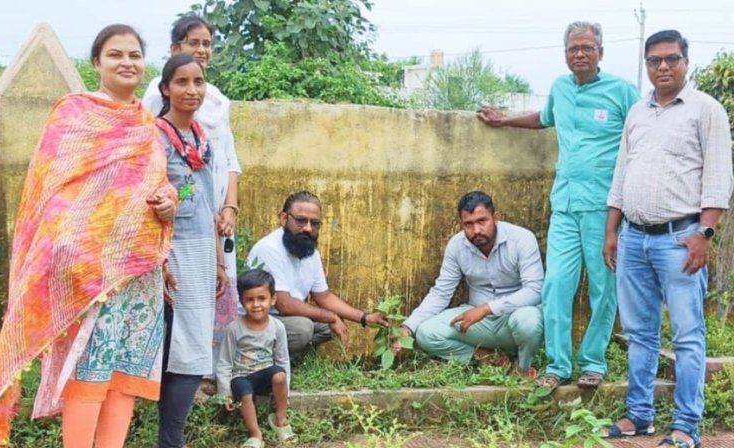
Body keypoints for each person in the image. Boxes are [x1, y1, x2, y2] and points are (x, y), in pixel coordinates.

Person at [0, 24, 176, 447]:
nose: (127, 62)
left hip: (138, 274)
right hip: (89, 276)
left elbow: (155, 186)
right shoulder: (74, 114)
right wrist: (74, 247)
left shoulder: (147, 127)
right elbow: (51, 192)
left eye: (134, 54)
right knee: (90, 368)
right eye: (116, 54)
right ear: (97, 62)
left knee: (126, 371)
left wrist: (168, 204)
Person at [477, 21, 640, 390]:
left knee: (603, 287)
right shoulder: (560, 88)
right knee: (556, 285)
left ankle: (594, 362)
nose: (579, 54)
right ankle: (558, 364)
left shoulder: (622, 91)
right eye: (572, 49)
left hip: (605, 208)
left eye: (587, 48)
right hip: (564, 205)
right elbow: (543, 118)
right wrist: (504, 120)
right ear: (565, 53)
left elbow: (644, 131)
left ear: (601, 51)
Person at [603, 30, 734, 448]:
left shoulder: (705, 110)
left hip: (680, 240)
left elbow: (718, 178)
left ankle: (685, 428)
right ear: (646, 65)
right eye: (654, 60)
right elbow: (622, 175)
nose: (662, 66)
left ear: (686, 61)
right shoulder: (637, 113)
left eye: (671, 59)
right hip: (634, 239)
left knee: (687, 336)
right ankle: (638, 416)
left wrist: (704, 234)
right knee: (639, 334)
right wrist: (612, 232)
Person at [143, 14, 242, 374]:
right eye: (192, 42)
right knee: (176, 309)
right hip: (175, 229)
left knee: (210, 299)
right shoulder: (158, 112)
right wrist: (179, 196)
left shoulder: (214, 107)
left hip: (209, 222)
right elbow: (160, 175)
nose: (200, 50)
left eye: (206, 44)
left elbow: (227, 159)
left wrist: (227, 206)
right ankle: (166, 378)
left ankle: (209, 372)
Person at [154, 53, 228, 448]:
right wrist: (160, 259)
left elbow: (204, 200)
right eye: (182, 82)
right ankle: (170, 440)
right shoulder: (156, 136)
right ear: (165, 88)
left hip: (201, 254)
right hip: (172, 253)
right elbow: (148, 201)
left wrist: (219, 260)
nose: (191, 90)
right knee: (173, 347)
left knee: (192, 346)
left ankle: (171, 439)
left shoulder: (202, 137)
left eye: (198, 82)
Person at [394, 191, 544, 376]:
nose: (476, 230)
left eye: (482, 221)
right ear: (461, 224)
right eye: (469, 224)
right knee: (426, 332)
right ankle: (489, 360)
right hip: (477, 323)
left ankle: (523, 368)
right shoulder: (457, 245)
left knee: (528, 321)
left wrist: (485, 309)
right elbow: (441, 292)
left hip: (514, 318)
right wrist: (408, 326)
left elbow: (535, 290)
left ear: (496, 218)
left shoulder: (521, 238)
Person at [246, 190, 388, 358]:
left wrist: (364, 317)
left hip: (285, 320)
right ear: (284, 219)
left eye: (314, 223)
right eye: (301, 220)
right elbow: (284, 304)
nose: (308, 228)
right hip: (257, 320)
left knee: (329, 325)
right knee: (303, 328)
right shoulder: (269, 249)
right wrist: (331, 316)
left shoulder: (308, 251)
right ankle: (259, 362)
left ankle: (287, 361)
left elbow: (324, 297)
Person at [217, 269, 294, 448]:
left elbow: (282, 360)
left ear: (273, 299)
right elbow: (224, 362)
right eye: (249, 300)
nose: (256, 305)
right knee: (244, 391)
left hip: (265, 375)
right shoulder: (234, 328)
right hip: (242, 377)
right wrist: (224, 393)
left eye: (262, 298)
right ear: (242, 301)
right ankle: (256, 435)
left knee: (279, 375)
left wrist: (285, 391)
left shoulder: (278, 327)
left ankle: (280, 420)